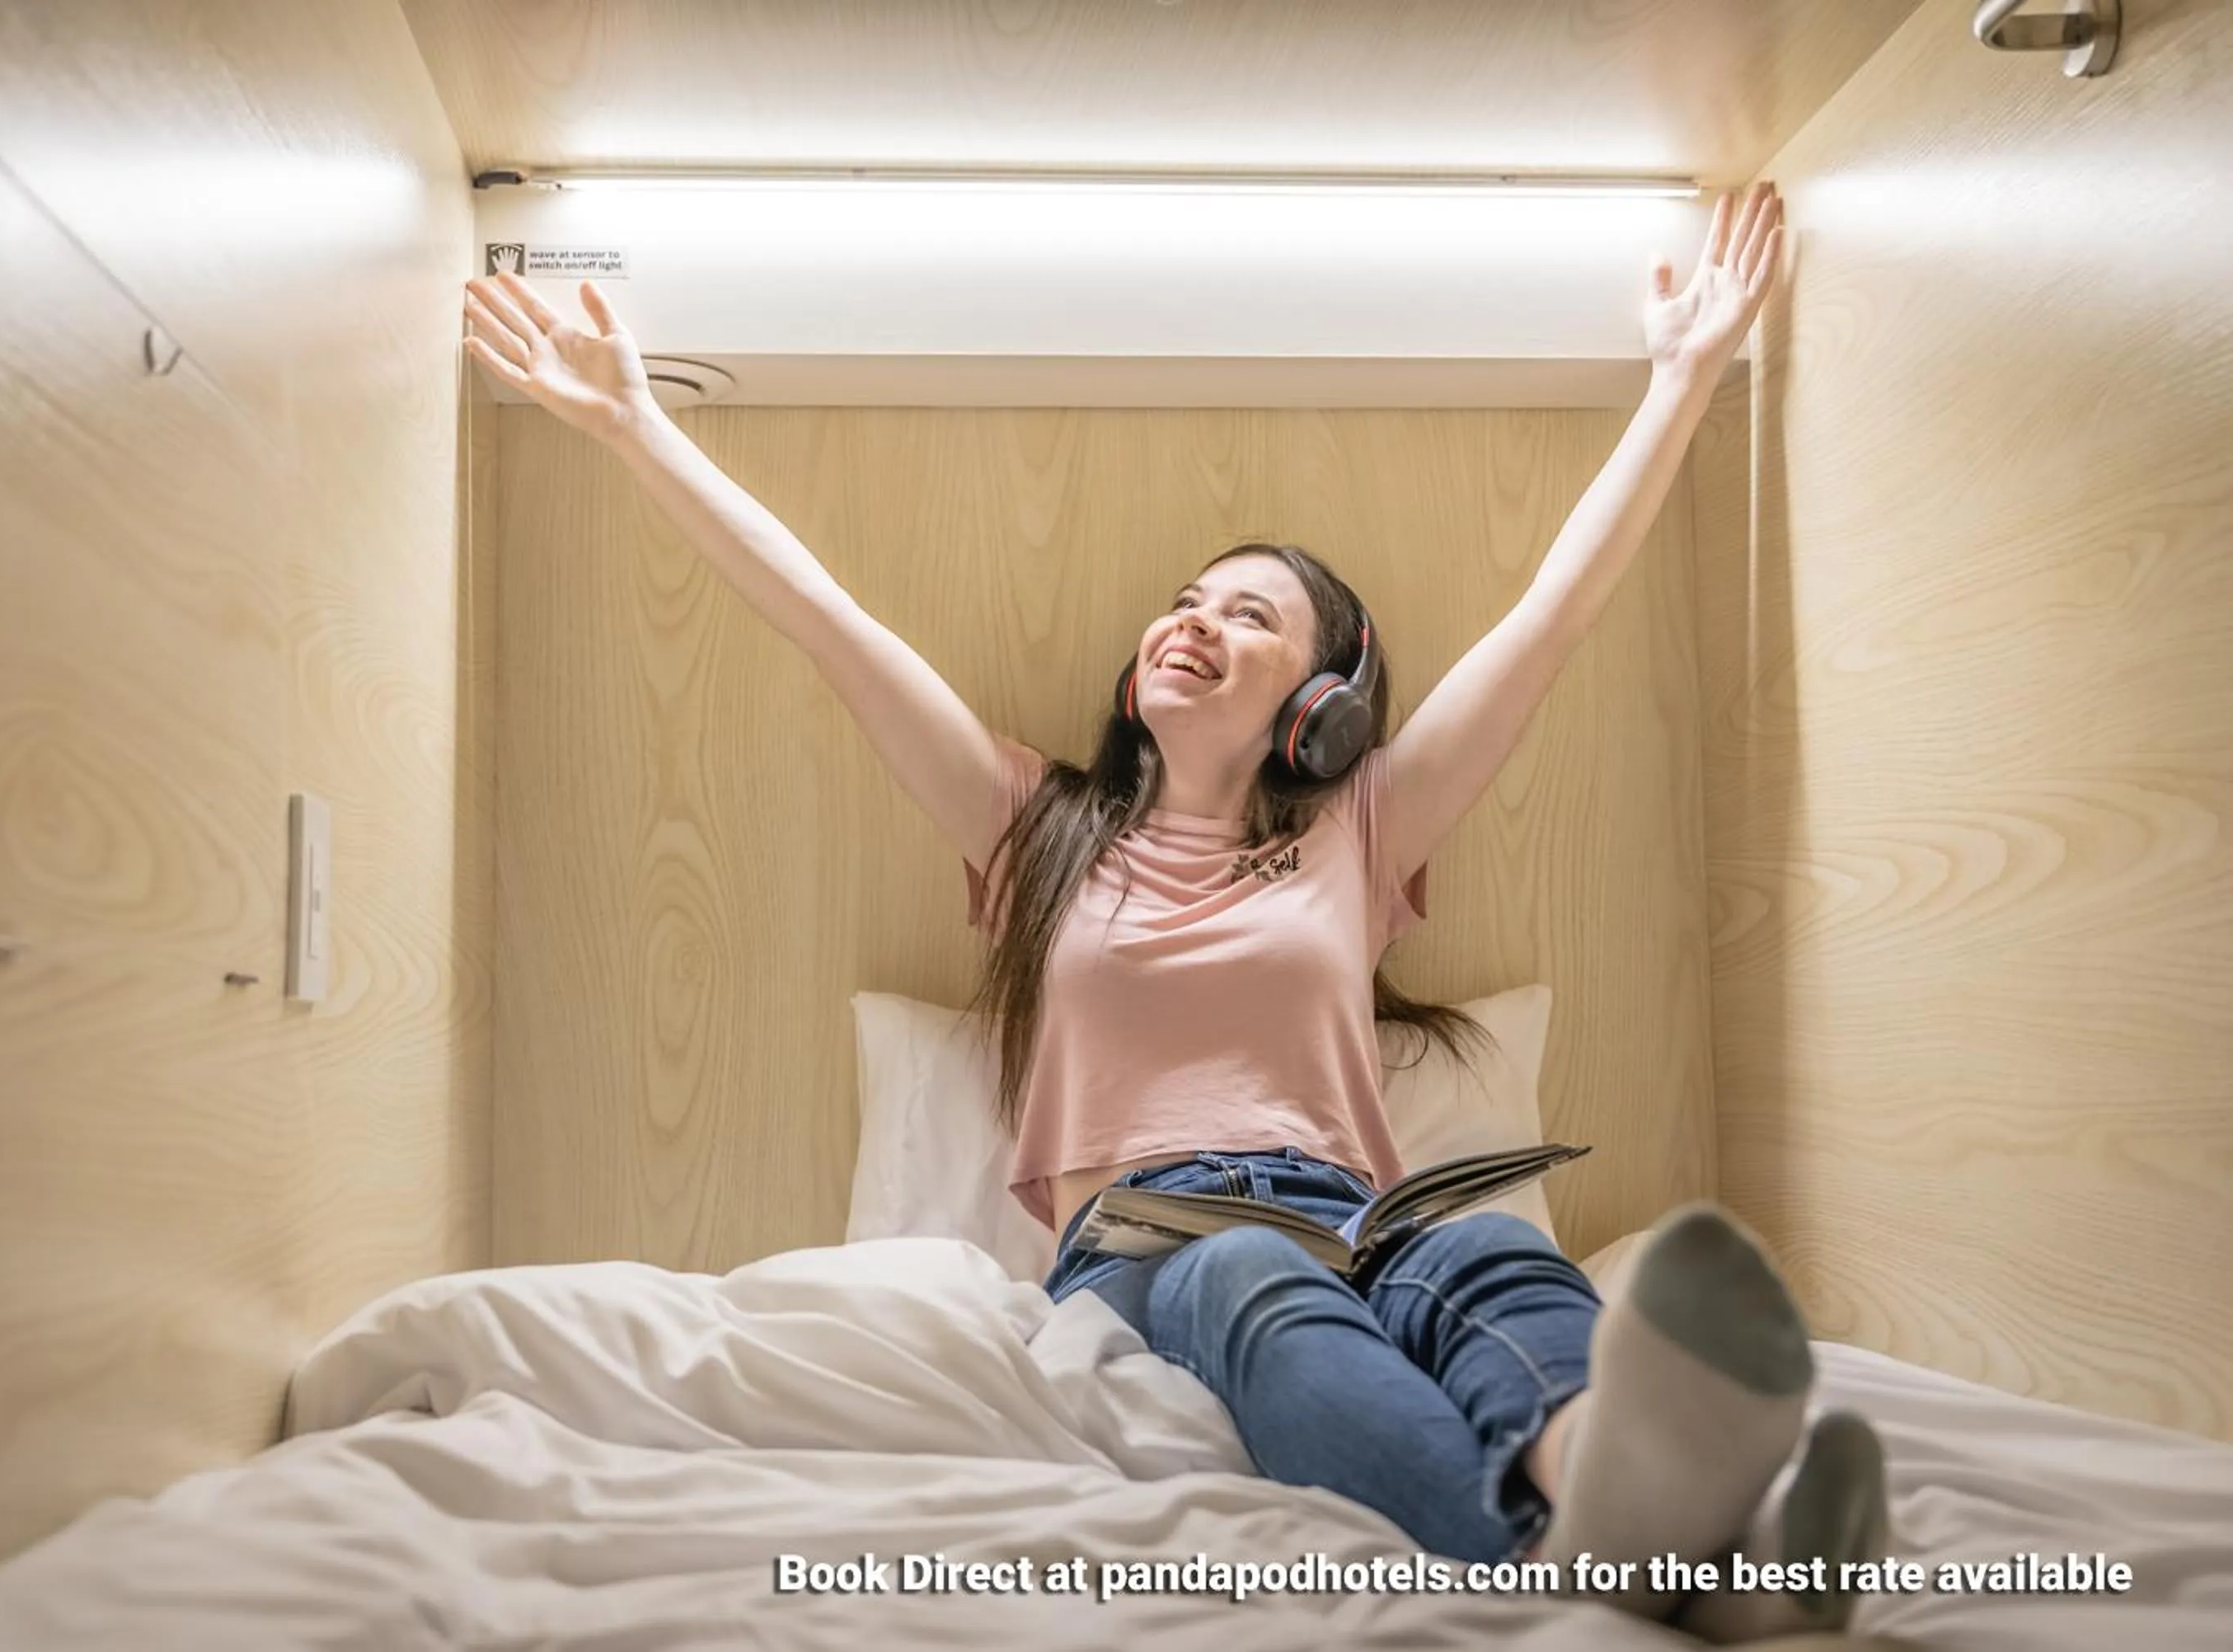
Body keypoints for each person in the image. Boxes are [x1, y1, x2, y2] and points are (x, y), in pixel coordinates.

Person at [463, 179, 1888, 1640]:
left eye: (1251, 615)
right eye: (1188, 599)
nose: (1195, 620)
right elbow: (830, 622)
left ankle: (1649, 1505)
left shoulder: (1363, 828)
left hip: (1375, 1213)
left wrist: (1683, 377)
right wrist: (635, 426)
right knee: (1257, 1280)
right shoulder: (1037, 831)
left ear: (1322, 711)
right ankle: (1555, 1566)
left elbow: (1555, 615)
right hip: (1153, 1243)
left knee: (1495, 1256)